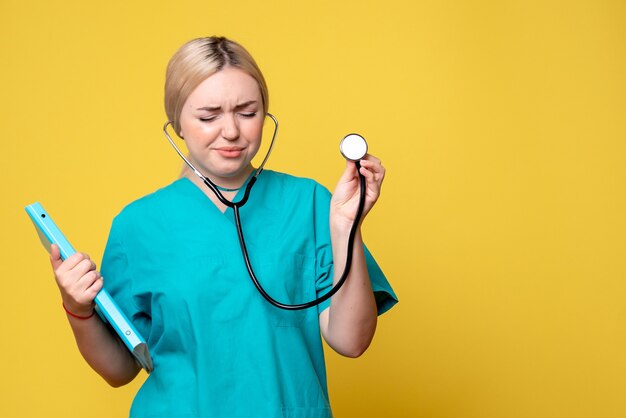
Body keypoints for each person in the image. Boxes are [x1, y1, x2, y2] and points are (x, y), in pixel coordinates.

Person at [49, 36, 397, 417]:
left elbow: (351, 340)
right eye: (209, 116)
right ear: (177, 122)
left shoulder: (310, 203)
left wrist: (348, 226)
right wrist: (77, 309)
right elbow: (119, 370)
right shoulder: (138, 225)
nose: (231, 131)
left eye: (247, 112)